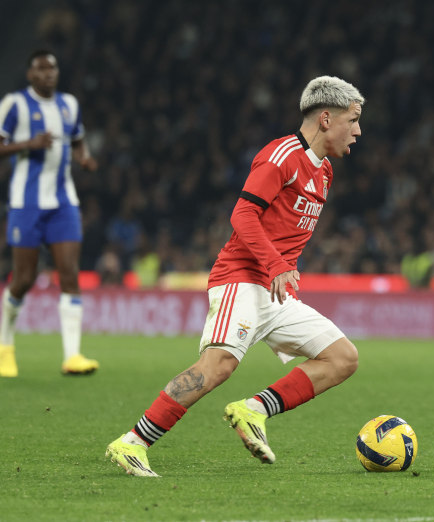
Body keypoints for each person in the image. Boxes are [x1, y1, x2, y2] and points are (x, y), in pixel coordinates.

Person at [105, 76, 364, 477]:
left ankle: (253, 410)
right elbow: (242, 215)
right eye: (354, 119)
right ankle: (131, 443)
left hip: (274, 291)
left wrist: (287, 264)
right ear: (326, 119)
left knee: (343, 357)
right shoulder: (280, 156)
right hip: (241, 279)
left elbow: (285, 227)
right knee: (219, 365)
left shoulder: (325, 172)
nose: (358, 131)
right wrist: (277, 264)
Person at [0, 49, 99, 378]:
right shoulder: (14, 105)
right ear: (29, 74)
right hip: (26, 203)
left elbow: (78, 140)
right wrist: (28, 144)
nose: (48, 75)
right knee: (24, 279)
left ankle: (72, 356)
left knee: (70, 274)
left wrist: (84, 157)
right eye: (41, 70)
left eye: (52, 69)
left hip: (63, 202)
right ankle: (5, 346)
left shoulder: (69, 104)